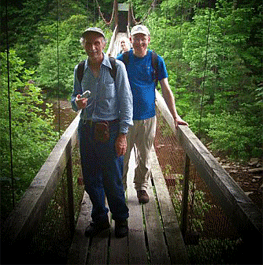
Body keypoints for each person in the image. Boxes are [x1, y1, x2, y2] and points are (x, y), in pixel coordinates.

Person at [71, 27, 133, 238]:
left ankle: (121, 219)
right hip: (87, 129)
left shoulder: (117, 67)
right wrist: (77, 103)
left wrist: (123, 134)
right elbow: (73, 101)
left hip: (111, 129)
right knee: (90, 179)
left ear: (104, 44)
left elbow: (126, 101)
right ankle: (100, 219)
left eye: (97, 42)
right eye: (88, 43)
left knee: (113, 177)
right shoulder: (79, 69)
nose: (92, 47)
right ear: (84, 46)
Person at [117, 25, 188, 204]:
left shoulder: (157, 60)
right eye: (136, 38)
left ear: (149, 39)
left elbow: (165, 89)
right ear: (130, 40)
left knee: (145, 155)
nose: (140, 42)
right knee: (121, 156)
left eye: (143, 38)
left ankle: (141, 187)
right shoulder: (122, 60)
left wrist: (175, 116)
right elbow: (110, 87)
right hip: (124, 118)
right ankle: (120, 188)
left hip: (148, 117)